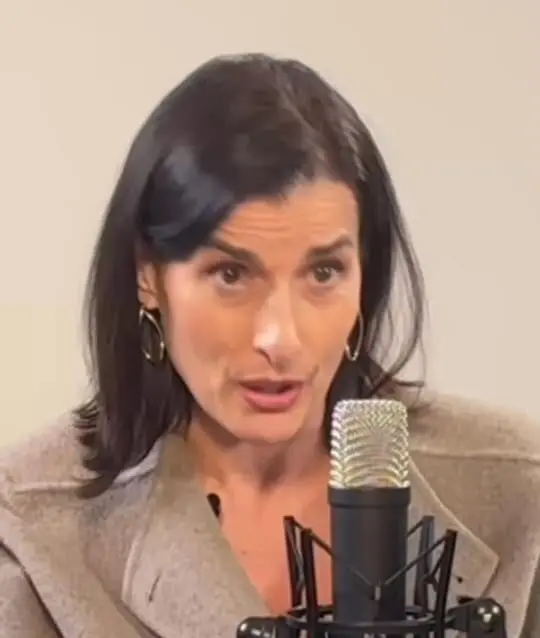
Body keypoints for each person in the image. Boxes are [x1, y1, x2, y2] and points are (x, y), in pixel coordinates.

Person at [0, 53, 539, 638]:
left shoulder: (520, 490)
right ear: (147, 277)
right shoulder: (30, 528)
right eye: (231, 275)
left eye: (324, 273)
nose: (280, 338)